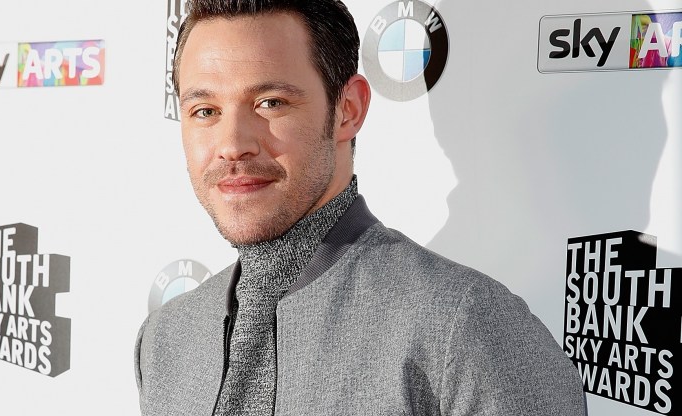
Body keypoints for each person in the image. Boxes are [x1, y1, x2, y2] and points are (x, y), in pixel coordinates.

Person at [135, 0, 586, 415]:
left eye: (270, 103)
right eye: (205, 110)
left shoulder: (463, 325)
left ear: (348, 109)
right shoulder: (165, 341)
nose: (232, 145)